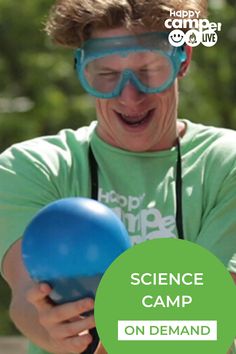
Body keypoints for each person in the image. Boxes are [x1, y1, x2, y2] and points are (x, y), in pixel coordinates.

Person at [0, 0, 235, 353]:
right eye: (106, 75)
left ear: (181, 61)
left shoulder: (228, 164)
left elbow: (212, 313)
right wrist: (52, 331)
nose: (130, 94)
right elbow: (25, 298)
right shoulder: (29, 166)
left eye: (149, 70)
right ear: (82, 72)